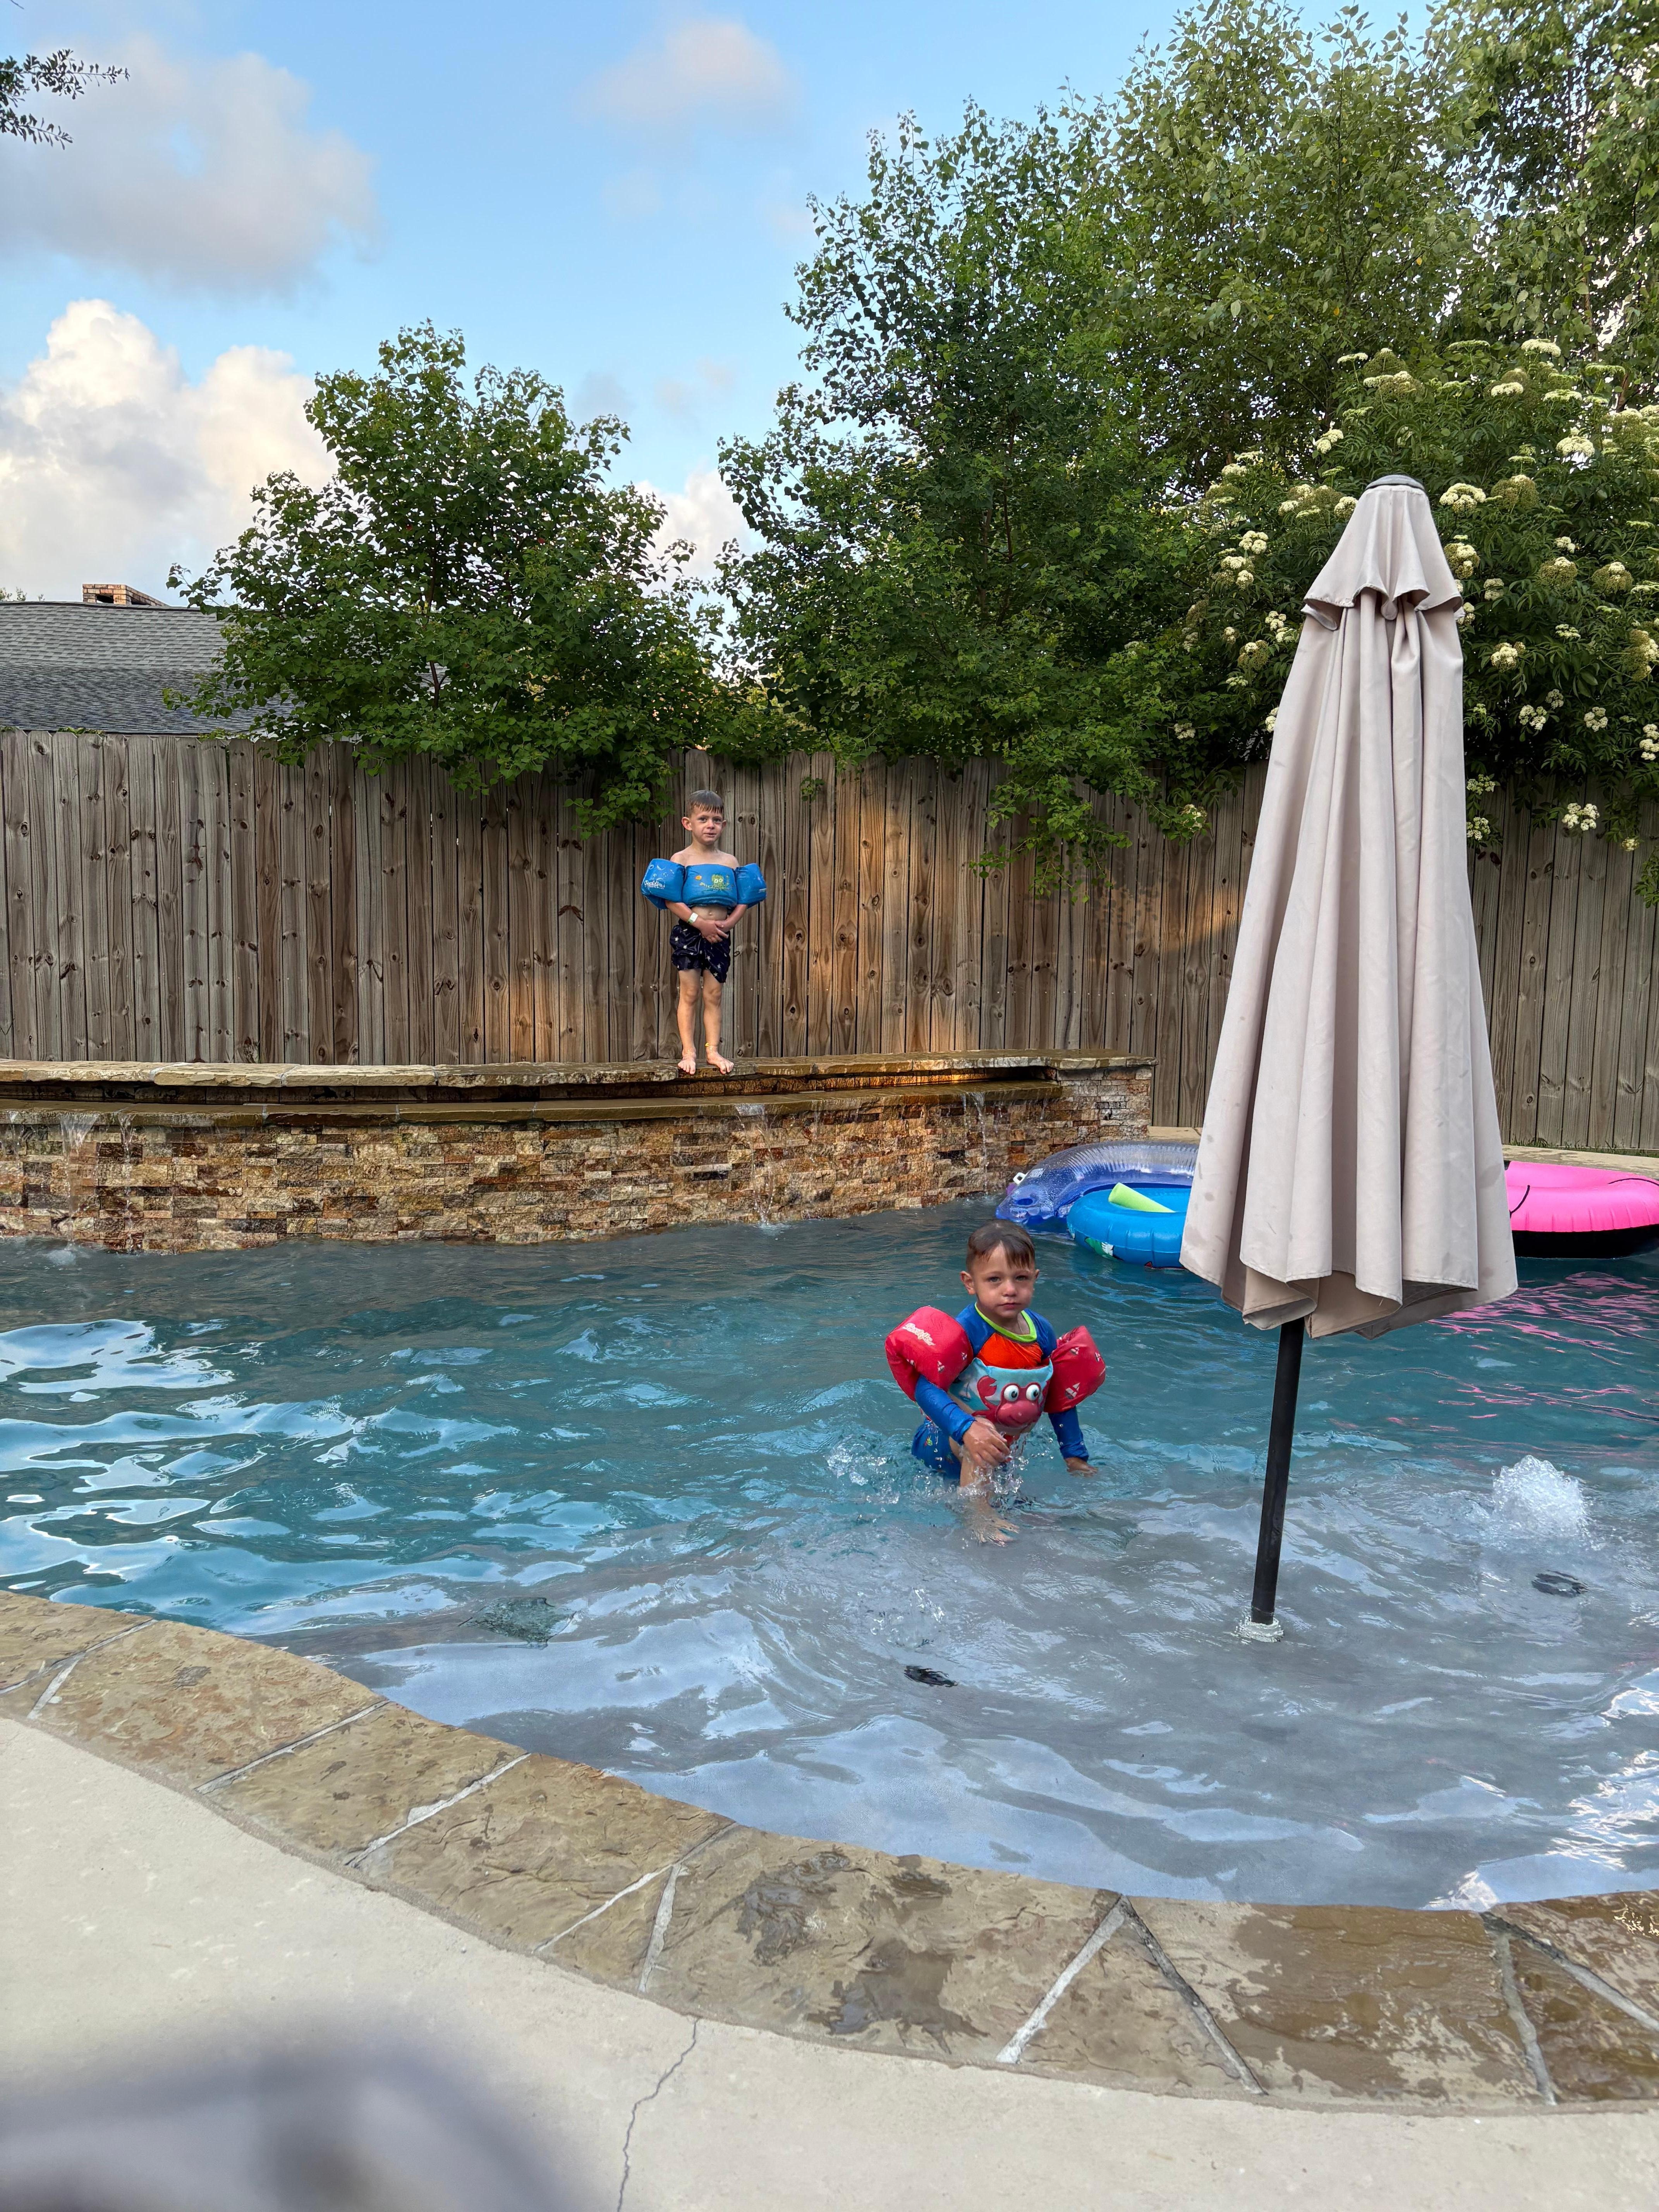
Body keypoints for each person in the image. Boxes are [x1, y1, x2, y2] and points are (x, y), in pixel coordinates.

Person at [884, 1222, 1104, 1543]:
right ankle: (977, 1515)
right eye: (994, 1280)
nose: (1010, 1289)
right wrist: (966, 1429)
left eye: (1021, 1278)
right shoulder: (968, 1332)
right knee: (984, 1437)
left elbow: (1060, 1396)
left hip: (994, 1447)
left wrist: (1075, 1455)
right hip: (946, 1441)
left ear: (1035, 1278)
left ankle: (990, 1500)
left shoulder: (1040, 1331)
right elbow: (926, 1388)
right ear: (969, 1283)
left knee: (995, 1456)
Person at [639, 791, 766, 1076]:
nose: (711, 825)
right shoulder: (681, 859)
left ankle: (712, 1050)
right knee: (690, 992)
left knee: (715, 994)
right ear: (688, 823)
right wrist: (700, 923)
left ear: (724, 825)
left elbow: (744, 899)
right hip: (690, 932)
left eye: (717, 820)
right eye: (704, 819)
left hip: (720, 935)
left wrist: (729, 923)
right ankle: (689, 1051)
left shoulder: (731, 862)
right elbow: (673, 900)